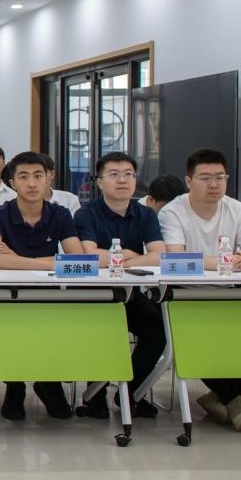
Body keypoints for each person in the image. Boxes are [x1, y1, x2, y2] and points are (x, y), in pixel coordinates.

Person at [160, 148, 241, 431]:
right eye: (205, 178)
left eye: (220, 177)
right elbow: (175, 259)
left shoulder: (237, 209)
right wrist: (223, 261)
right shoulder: (173, 211)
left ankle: (221, 398)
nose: (213, 184)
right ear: (189, 181)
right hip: (186, 294)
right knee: (205, 336)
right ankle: (234, 401)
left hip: (231, 292)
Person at [0, 151, 82, 421]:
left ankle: (48, 381)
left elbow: (76, 260)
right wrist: (49, 262)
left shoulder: (60, 214)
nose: (31, 183)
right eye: (24, 177)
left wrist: (18, 259)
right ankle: (14, 386)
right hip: (6, 294)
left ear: (49, 178)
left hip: (49, 293)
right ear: (12, 182)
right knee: (10, 323)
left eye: (38, 176)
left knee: (58, 321)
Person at [74, 151, 167, 419]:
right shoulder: (86, 213)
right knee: (101, 332)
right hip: (93, 297)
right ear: (100, 182)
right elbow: (90, 256)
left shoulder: (145, 214)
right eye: (114, 175)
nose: (123, 180)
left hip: (130, 296)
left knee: (158, 331)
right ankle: (95, 395)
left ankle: (131, 393)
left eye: (128, 174)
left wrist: (122, 258)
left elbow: (159, 255)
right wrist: (131, 256)